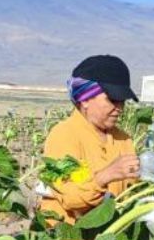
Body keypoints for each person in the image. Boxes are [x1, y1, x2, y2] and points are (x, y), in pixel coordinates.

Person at [40, 55, 141, 224]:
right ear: (85, 99)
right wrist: (105, 176)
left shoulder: (124, 139)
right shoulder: (64, 134)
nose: (120, 108)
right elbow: (71, 198)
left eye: (122, 101)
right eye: (112, 100)